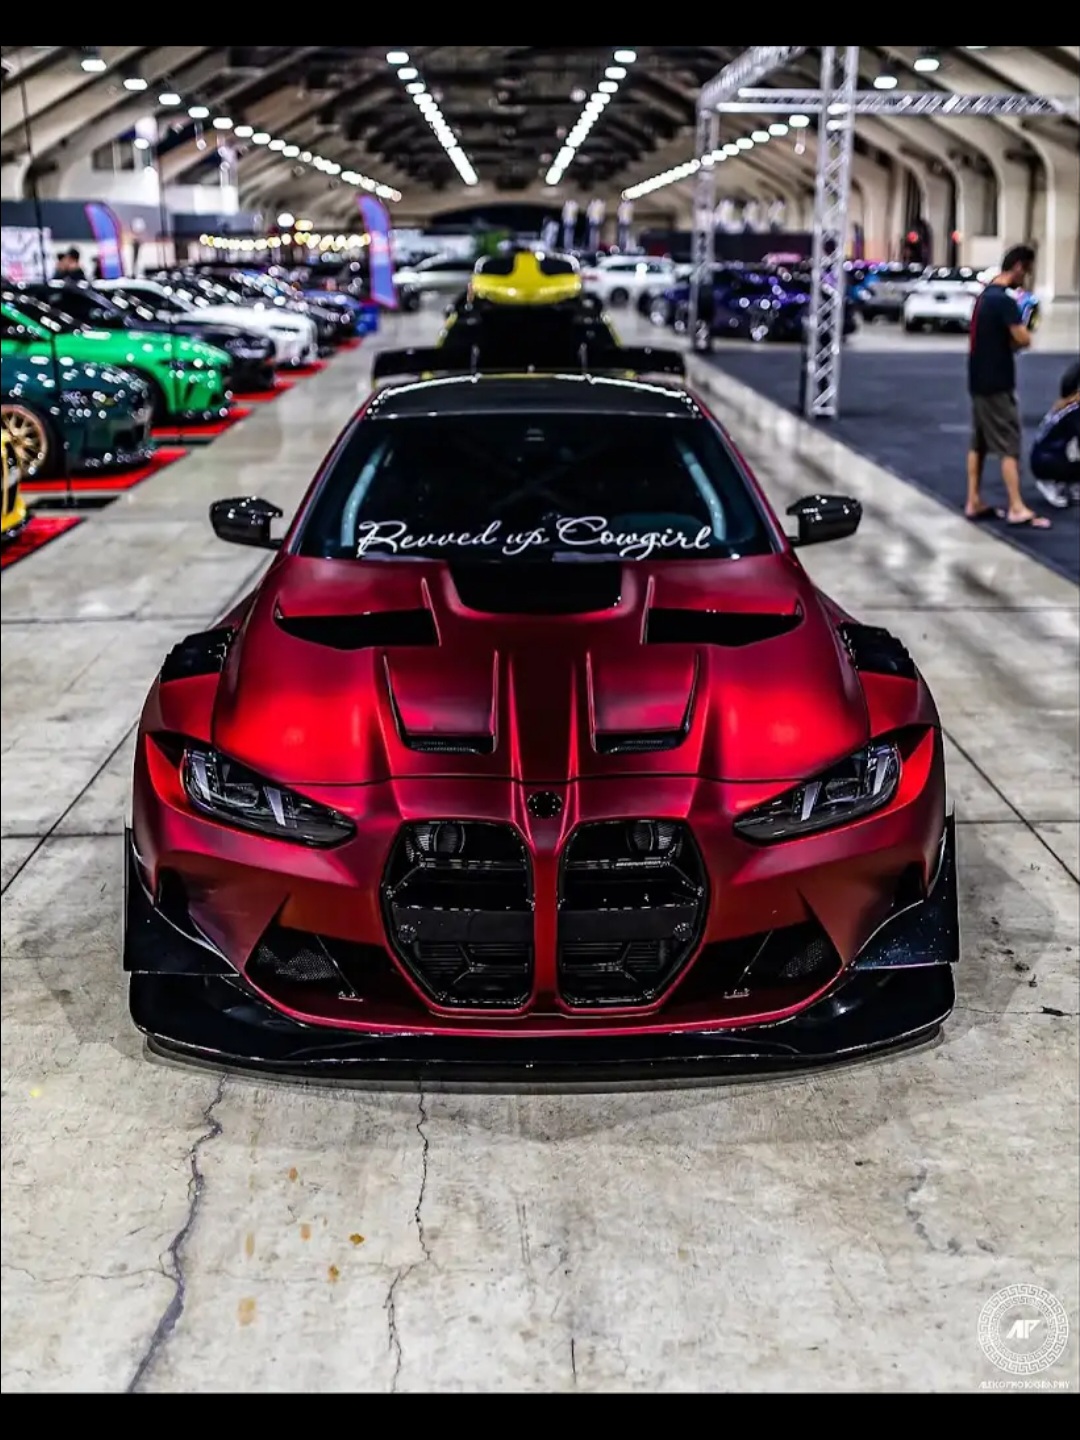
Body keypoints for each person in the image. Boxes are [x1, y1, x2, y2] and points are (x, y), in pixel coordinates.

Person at [965, 244, 1050, 529]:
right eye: (1026, 271)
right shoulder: (1004, 301)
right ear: (1018, 267)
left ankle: (973, 500)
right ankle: (1016, 506)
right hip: (997, 383)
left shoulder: (984, 296)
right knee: (1009, 442)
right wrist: (1028, 323)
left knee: (979, 442)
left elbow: (997, 340)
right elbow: (1023, 338)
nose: (1025, 279)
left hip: (978, 379)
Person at [1031, 359, 1080, 509]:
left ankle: (1069, 485)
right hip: (1047, 462)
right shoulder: (1074, 411)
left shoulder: (1062, 406)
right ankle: (1052, 482)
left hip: (1042, 458)